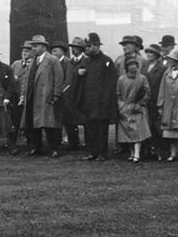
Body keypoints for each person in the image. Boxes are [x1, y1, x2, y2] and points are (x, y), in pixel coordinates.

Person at [18, 35, 63, 158]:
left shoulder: (52, 60)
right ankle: (36, 147)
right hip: (32, 96)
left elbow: (58, 80)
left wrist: (56, 95)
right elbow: (26, 79)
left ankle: (54, 148)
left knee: (48, 124)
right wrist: (23, 94)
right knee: (33, 124)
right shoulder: (33, 61)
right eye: (33, 46)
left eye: (36, 46)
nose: (33, 48)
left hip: (45, 97)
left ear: (44, 47)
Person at [78, 33, 117, 161]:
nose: (86, 49)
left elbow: (111, 84)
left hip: (101, 103)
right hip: (89, 102)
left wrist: (106, 103)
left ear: (96, 46)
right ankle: (92, 152)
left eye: (88, 47)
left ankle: (102, 153)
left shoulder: (107, 61)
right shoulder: (87, 61)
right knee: (90, 128)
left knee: (101, 129)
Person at [116, 59, 152, 162]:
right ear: (126, 67)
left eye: (135, 65)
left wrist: (140, 104)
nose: (133, 67)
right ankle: (131, 153)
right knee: (128, 133)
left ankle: (137, 154)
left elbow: (147, 92)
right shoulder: (121, 79)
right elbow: (118, 94)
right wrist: (121, 106)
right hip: (124, 109)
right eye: (131, 65)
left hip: (137, 109)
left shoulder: (142, 78)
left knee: (137, 132)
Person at [60, 38, 87, 151]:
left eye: (75, 47)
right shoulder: (69, 62)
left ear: (81, 49)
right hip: (69, 95)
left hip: (82, 95)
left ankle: (87, 143)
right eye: (72, 47)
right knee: (70, 121)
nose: (73, 49)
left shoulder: (86, 61)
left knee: (85, 121)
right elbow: (66, 78)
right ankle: (73, 143)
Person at [141, 44, 166, 160]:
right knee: (145, 125)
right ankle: (147, 149)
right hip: (145, 100)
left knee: (155, 126)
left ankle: (158, 149)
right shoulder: (144, 66)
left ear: (157, 55)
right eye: (147, 52)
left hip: (155, 100)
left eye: (151, 53)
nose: (148, 54)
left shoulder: (162, 68)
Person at [7, 42, 32, 155]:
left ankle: (31, 144)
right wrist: (13, 79)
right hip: (16, 98)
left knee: (28, 122)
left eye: (27, 50)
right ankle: (12, 145)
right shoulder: (15, 64)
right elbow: (8, 79)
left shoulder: (34, 64)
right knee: (15, 122)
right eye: (23, 50)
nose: (24, 52)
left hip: (28, 97)